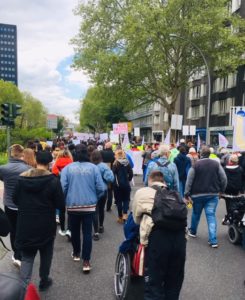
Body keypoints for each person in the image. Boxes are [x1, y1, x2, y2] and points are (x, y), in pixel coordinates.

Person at [13, 151, 65, 291]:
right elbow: (61, 203)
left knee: (27, 257)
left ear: (36, 160)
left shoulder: (22, 179)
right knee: (46, 255)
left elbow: (15, 200)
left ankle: (23, 288)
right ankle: (44, 280)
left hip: (26, 224)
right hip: (46, 225)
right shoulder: (53, 181)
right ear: (49, 163)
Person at [132, 171, 186, 300]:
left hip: (158, 237)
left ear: (149, 180)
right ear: (164, 182)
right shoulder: (175, 195)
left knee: (154, 281)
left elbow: (136, 219)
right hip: (179, 238)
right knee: (174, 280)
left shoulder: (142, 192)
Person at [60, 144, 105, 272]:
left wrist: (65, 200)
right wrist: (94, 198)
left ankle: (76, 253)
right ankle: (86, 261)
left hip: (72, 205)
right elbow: (101, 188)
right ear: (87, 154)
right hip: (89, 206)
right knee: (87, 233)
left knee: (74, 231)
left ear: (74, 154)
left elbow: (62, 188)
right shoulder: (94, 168)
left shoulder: (67, 169)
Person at [185, 146, 227, 248]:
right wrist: (222, 190)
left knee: (196, 214)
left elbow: (189, 180)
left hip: (197, 195)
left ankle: (193, 231)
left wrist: (187, 194)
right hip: (213, 195)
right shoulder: (216, 164)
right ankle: (213, 240)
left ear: (200, 154)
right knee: (211, 216)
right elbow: (224, 178)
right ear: (209, 154)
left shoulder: (195, 165)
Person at [0, 144, 31, 267]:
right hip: (24, 205)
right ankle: (23, 252)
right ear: (22, 154)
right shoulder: (28, 169)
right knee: (23, 229)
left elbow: (2, 179)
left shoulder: (3, 168)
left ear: (11, 154)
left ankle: (16, 254)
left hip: (9, 204)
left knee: (13, 230)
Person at [90, 150, 114, 240]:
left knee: (94, 211)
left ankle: (95, 232)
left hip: (93, 191)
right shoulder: (104, 166)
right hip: (103, 190)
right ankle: (101, 226)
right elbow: (111, 178)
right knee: (101, 209)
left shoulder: (90, 166)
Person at [52, 149, 73, 238]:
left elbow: (53, 172)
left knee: (61, 209)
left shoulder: (57, 163)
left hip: (59, 188)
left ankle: (63, 228)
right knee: (70, 210)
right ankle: (69, 229)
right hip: (70, 188)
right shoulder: (71, 162)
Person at [112, 149, 133, 223]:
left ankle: (120, 216)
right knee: (126, 199)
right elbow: (131, 174)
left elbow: (113, 174)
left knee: (119, 201)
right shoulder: (127, 163)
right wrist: (128, 180)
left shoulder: (116, 164)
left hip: (117, 185)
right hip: (126, 184)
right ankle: (125, 214)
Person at [222, 154, 243, 225]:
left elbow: (222, 180)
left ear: (230, 160)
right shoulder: (240, 169)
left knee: (228, 204)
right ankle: (235, 218)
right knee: (237, 204)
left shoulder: (225, 169)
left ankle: (229, 217)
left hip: (227, 190)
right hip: (237, 191)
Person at [101, 142, 115, 211]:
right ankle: (108, 207)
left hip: (102, 173)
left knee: (102, 189)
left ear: (106, 146)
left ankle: (101, 205)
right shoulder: (113, 154)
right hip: (110, 173)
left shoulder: (101, 153)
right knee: (110, 191)